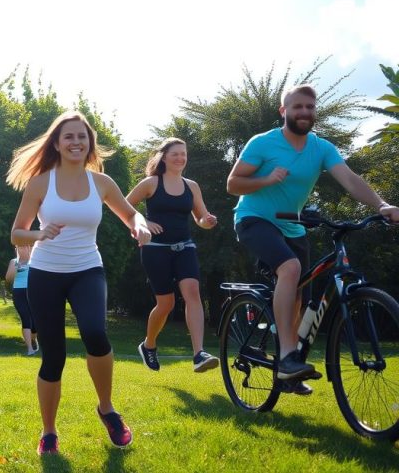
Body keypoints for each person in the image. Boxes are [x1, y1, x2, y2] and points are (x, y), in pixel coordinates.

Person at [227, 84, 399, 394]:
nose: (304, 112)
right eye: (297, 107)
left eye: (310, 107)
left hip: (294, 226)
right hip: (255, 219)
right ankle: (288, 358)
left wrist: (382, 205)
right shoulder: (264, 143)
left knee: (301, 300)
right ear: (284, 111)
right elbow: (233, 184)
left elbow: (349, 180)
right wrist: (266, 179)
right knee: (290, 269)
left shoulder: (321, 148)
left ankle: (287, 370)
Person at [7, 111, 151, 454]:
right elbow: (16, 232)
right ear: (57, 143)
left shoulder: (101, 183)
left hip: (87, 269)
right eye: (69, 136)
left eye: (82, 137)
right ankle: (49, 432)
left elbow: (130, 212)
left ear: (90, 143)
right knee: (53, 355)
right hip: (45, 275)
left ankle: (107, 409)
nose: (76, 142)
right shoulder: (41, 183)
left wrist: (139, 225)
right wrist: (39, 232)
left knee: (95, 332)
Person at [126, 138, 219, 373]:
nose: (180, 158)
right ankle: (149, 345)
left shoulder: (192, 186)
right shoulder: (151, 183)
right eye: (175, 154)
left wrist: (207, 222)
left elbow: (200, 218)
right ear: (164, 157)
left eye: (183, 154)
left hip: (184, 247)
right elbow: (125, 206)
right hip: (155, 250)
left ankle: (199, 353)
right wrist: (144, 222)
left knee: (193, 293)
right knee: (165, 304)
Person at [4, 245, 38, 355]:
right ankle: (29, 349)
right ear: (16, 249)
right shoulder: (14, 261)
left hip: (33, 292)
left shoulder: (35, 261)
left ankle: (33, 340)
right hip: (19, 292)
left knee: (34, 322)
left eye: (25, 247)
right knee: (25, 318)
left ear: (30, 248)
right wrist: (17, 265)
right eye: (20, 247)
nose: (22, 249)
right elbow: (8, 279)